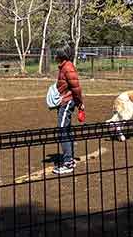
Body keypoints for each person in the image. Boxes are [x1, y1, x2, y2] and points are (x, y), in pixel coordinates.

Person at [52, 46, 84, 175]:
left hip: (67, 102)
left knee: (62, 131)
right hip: (64, 101)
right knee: (66, 130)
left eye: (57, 54)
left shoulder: (68, 67)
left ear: (61, 55)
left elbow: (76, 87)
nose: (55, 56)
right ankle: (70, 159)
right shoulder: (64, 66)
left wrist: (80, 103)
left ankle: (68, 163)